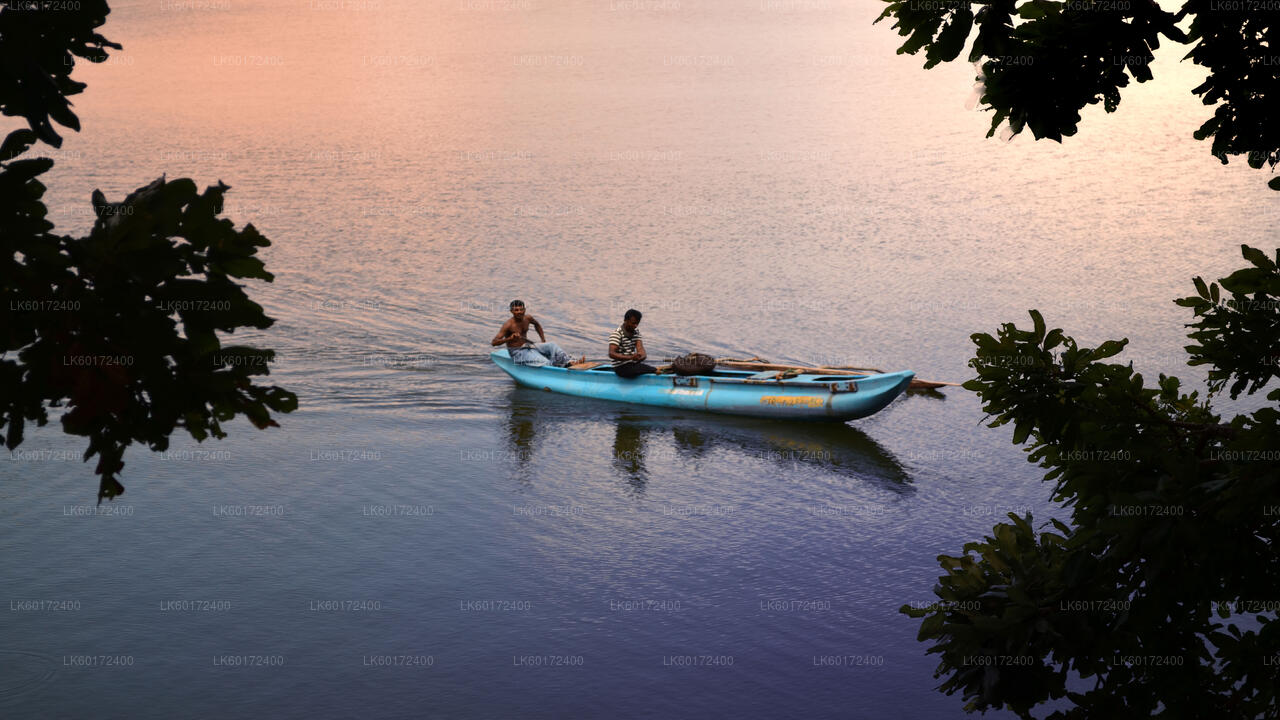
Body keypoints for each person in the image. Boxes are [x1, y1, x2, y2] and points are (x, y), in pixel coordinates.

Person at [492, 300, 574, 367]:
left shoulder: (528, 318)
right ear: (511, 311)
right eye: (516, 310)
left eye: (521, 309)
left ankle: (570, 362)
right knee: (545, 362)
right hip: (517, 352)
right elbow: (494, 342)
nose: (519, 312)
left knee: (552, 345)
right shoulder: (508, 325)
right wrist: (510, 338)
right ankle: (563, 365)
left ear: (525, 310)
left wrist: (543, 340)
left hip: (529, 346)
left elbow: (537, 325)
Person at [609, 309, 656, 378]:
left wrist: (641, 356)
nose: (635, 326)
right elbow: (611, 353)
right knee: (651, 369)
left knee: (646, 368)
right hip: (620, 367)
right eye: (633, 323)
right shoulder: (617, 334)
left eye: (637, 323)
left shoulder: (636, 332)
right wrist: (630, 357)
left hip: (631, 364)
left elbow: (640, 349)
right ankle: (656, 371)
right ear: (625, 321)